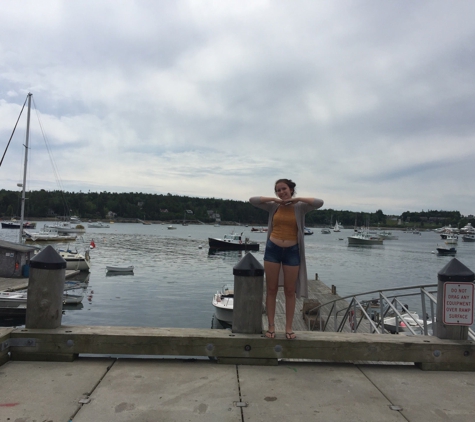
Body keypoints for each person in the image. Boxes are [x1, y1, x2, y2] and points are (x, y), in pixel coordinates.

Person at [250, 179, 324, 339]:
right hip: (272, 250)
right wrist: (274, 200)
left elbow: (319, 202)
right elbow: (253, 200)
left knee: (290, 291)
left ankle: (288, 328)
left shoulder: (300, 207)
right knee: (271, 289)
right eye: (278, 190)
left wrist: (297, 199)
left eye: (284, 189)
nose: (281, 192)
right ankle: (271, 327)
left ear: (291, 189)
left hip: (292, 251)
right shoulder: (273, 206)